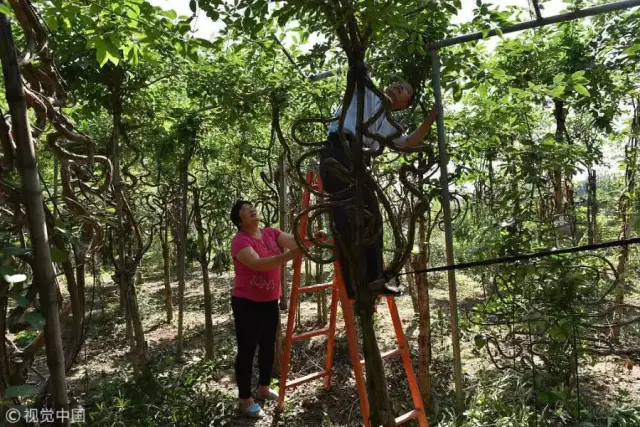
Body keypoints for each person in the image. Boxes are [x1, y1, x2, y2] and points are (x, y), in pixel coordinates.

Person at [320, 80, 438, 300]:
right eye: (398, 83)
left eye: (406, 89)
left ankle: (374, 279)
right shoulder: (365, 90)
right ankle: (354, 286)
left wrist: (432, 117)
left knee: (372, 219)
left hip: (358, 162)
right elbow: (357, 70)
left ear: (403, 105)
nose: (399, 86)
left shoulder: (386, 123)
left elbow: (409, 141)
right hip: (338, 152)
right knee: (344, 223)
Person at [229, 200, 324, 418]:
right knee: (247, 350)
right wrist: (293, 254)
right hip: (247, 304)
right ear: (238, 220)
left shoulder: (272, 233)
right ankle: (245, 399)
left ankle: (263, 388)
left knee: (268, 346)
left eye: (253, 206)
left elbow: (296, 242)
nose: (252, 209)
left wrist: (313, 239)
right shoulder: (239, 241)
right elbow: (259, 264)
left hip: (270, 300)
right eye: (245, 209)